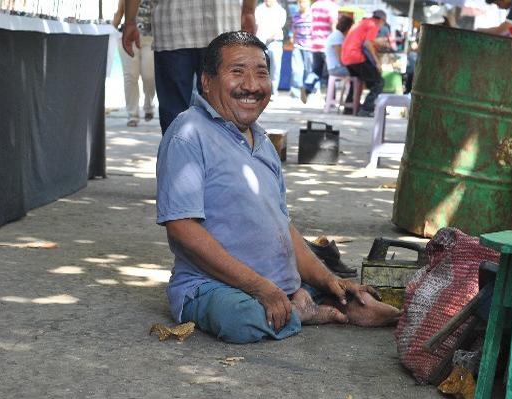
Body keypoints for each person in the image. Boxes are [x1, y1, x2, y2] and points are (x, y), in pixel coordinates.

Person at [156, 31, 401, 344]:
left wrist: (331, 279)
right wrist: (261, 289)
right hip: (210, 285)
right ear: (207, 81)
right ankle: (308, 310)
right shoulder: (187, 135)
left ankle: (317, 299)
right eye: (237, 72)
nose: (251, 85)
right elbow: (181, 228)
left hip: (277, 282)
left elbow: (284, 226)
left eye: (261, 73)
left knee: (341, 291)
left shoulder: (263, 142)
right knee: (241, 319)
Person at [122, 0, 257, 134]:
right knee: (224, 115)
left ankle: (178, 154)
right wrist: (248, 11)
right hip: (221, 24)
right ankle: (221, 154)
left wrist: (130, 21)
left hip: (172, 25)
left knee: (174, 119)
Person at [113, 0, 155, 127]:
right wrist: (109, 33)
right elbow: (120, 12)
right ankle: (133, 115)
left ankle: (148, 106)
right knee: (130, 77)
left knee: (149, 76)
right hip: (128, 39)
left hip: (151, 38)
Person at [341, 9, 387, 117]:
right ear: (381, 20)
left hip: (346, 57)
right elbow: (367, 44)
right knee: (378, 82)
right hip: (356, 57)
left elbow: (365, 41)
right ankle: (366, 109)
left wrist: (375, 43)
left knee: (356, 82)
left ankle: (348, 109)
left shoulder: (362, 22)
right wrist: (377, 63)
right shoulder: (373, 24)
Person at [255, 0, 287, 99]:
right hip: (261, 42)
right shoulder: (259, 9)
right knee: (260, 67)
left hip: (275, 42)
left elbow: (279, 26)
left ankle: (273, 91)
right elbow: (257, 25)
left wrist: (269, 35)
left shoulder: (280, 10)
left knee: (275, 68)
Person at [290, 0, 317, 103]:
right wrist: (293, 40)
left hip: (310, 47)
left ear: (308, 3)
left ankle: (311, 92)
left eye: (303, 2)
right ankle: (296, 93)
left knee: (310, 71)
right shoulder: (296, 16)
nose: (301, 4)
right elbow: (294, 31)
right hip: (298, 46)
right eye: (299, 2)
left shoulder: (313, 16)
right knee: (296, 70)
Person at [310, 0, 339, 93]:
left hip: (315, 44)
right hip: (327, 46)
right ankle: (329, 97)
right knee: (330, 73)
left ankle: (307, 87)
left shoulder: (314, 6)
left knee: (316, 71)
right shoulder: (332, 6)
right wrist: (337, 42)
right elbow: (333, 26)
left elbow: (310, 25)